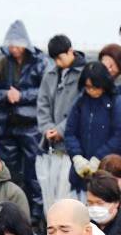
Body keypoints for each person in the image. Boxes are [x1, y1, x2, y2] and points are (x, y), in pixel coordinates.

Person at [0, 21, 47, 220]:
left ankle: (36, 216)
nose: (14, 49)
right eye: (11, 45)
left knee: (33, 174)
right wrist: (5, 95)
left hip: (31, 127)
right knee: (8, 173)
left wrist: (22, 95)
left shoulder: (40, 63)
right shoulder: (0, 64)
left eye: (18, 45)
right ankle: (10, 211)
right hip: (7, 126)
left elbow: (46, 91)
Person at [63, 62, 121, 194]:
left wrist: (99, 157)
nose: (92, 91)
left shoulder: (116, 101)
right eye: (88, 87)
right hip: (82, 171)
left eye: (95, 87)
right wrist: (77, 156)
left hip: (108, 169)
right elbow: (70, 132)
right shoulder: (81, 102)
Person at [36, 35, 86, 207]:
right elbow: (42, 104)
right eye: (54, 59)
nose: (57, 62)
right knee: (49, 195)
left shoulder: (84, 73)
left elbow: (81, 106)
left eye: (60, 57)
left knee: (68, 196)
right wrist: (48, 128)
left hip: (73, 144)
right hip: (51, 145)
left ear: (70, 51)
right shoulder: (49, 74)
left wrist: (61, 130)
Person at [82, 171, 121, 235]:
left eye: (100, 203)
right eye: (90, 203)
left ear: (116, 203)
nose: (94, 208)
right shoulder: (84, 225)